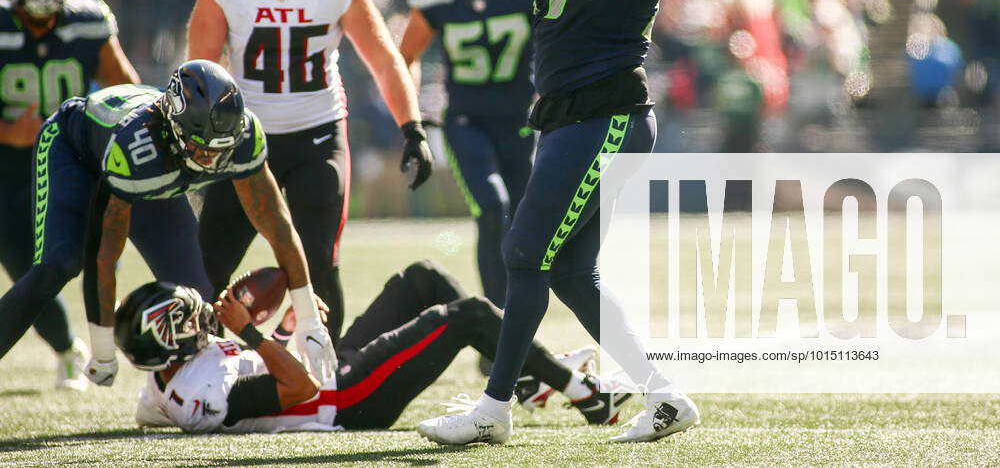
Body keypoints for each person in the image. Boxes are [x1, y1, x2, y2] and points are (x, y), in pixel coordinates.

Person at [393, 0, 770, 443]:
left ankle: (493, 408)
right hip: (571, 118)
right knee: (569, 272)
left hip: (607, 117)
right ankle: (667, 396)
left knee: (521, 250)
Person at [186, 0, 432, 342]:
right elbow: (201, 69)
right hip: (240, 140)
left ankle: (327, 377)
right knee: (208, 262)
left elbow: (383, 59)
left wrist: (412, 127)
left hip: (316, 134)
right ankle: (192, 364)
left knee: (318, 259)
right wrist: (196, 142)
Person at [0, 60, 336, 389]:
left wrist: (307, 315)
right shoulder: (137, 149)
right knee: (59, 263)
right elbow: (103, 256)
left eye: (220, 150)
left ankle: (183, 393)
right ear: (173, 126)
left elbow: (276, 223)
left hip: (154, 168)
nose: (210, 160)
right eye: (200, 148)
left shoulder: (243, 134)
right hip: (74, 150)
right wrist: (103, 351)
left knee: (198, 296)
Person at [0, 0, 211, 390]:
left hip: (89, 154)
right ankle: (68, 347)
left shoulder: (88, 22)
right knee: (38, 262)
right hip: (14, 164)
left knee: (114, 259)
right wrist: (8, 128)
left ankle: (191, 365)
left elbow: (127, 88)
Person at [116, 260, 622, 434]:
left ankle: (530, 379)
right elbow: (298, 387)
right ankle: (583, 392)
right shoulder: (198, 396)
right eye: (185, 319)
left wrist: (289, 328)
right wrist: (249, 331)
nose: (201, 317)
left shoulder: (169, 381)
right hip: (348, 400)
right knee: (466, 316)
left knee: (422, 278)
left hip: (334, 368)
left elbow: (267, 374)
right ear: (168, 344)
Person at [399, 0, 535, 314]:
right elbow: (405, 58)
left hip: (521, 120)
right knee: (492, 210)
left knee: (525, 226)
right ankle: (498, 318)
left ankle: (519, 318)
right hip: (466, 121)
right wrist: (412, 116)